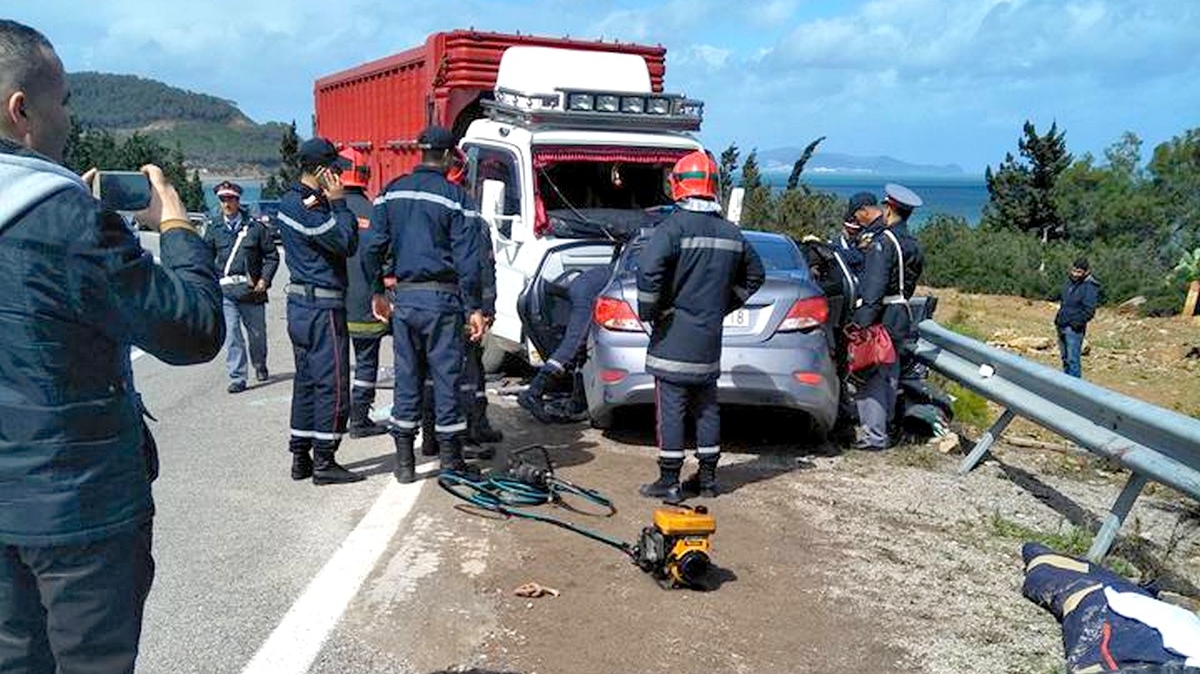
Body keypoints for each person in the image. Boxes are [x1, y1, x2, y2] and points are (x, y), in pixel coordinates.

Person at [0, 19, 224, 673]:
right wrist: (177, 226)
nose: (68, 118)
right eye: (63, 101)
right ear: (22, 111)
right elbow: (190, 331)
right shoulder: (64, 218)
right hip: (76, 508)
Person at [636, 150, 765, 501]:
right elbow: (756, 274)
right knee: (707, 407)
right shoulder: (730, 232)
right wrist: (723, 305)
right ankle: (708, 479)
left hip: (674, 336)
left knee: (672, 409)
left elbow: (648, 271)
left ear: (678, 185)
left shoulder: (672, 228)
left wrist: (651, 311)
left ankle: (669, 481)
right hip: (709, 339)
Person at [365, 125, 485, 484]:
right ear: (449, 157)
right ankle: (450, 466)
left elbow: (372, 246)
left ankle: (405, 465)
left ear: (421, 153)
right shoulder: (456, 198)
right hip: (442, 301)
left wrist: (377, 291)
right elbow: (469, 259)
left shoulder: (391, 193)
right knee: (446, 378)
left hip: (405, 300)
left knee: (407, 376)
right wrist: (474, 307)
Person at [276, 137, 363, 485]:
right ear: (322, 170)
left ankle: (301, 456)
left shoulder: (290, 200)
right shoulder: (309, 207)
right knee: (332, 383)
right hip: (321, 306)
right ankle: (325, 460)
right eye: (335, 170)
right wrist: (340, 205)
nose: (339, 177)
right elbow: (346, 242)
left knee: (307, 382)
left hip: (301, 305)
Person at [849, 183, 925, 450]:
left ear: (889, 208)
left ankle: (874, 436)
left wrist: (861, 324)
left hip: (883, 313)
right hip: (902, 313)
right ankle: (885, 428)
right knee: (890, 373)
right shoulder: (913, 244)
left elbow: (874, 288)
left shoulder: (884, 243)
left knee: (872, 374)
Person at [206, 180, 279, 393]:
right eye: (223, 199)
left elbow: (271, 256)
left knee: (257, 336)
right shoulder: (213, 228)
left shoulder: (255, 228)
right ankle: (238, 376)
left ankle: (260, 364)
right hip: (225, 291)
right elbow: (206, 257)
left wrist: (265, 279)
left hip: (252, 291)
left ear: (238, 201)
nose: (227, 203)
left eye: (231, 199)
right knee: (232, 335)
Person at [338, 147, 390, 438]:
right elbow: (388, 257)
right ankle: (359, 419)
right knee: (367, 363)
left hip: (333, 304)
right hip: (368, 302)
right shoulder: (375, 213)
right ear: (365, 176)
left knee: (337, 363)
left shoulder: (327, 213)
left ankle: (336, 418)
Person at [518, 264, 612, 423]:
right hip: (588, 292)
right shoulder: (641, 264)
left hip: (583, 284)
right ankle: (533, 393)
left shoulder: (634, 255)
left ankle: (578, 401)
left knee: (580, 347)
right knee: (573, 345)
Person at [1054, 257, 1100, 378]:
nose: (1075, 274)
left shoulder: (1090, 286)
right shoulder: (1069, 282)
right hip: (1061, 324)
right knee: (1065, 359)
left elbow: (1089, 311)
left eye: (1079, 272)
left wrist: (1075, 323)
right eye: (1074, 270)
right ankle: (1066, 385)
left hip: (1073, 329)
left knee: (1073, 361)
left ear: (1086, 272)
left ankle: (1075, 389)